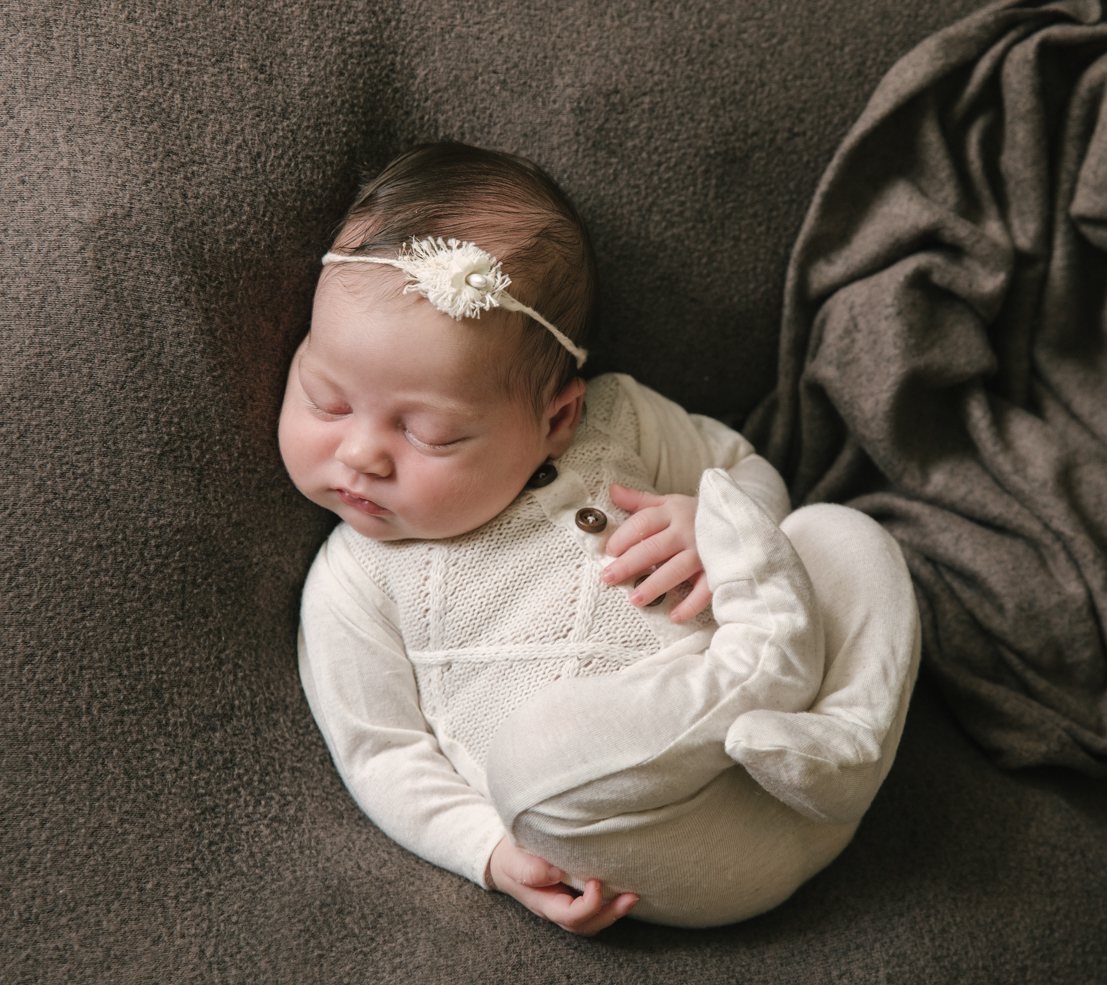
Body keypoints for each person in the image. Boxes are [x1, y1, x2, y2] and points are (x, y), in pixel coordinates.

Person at [280, 142, 920, 933]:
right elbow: (380, 753)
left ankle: (844, 738)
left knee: (844, 535)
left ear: (556, 419)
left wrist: (710, 524)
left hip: (802, 773)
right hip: (670, 839)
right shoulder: (357, 579)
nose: (361, 453)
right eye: (325, 399)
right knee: (538, 760)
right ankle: (762, 681)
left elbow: (743, 471)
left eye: (431, 434)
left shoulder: (622, 420)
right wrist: (488, 852)